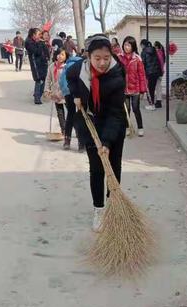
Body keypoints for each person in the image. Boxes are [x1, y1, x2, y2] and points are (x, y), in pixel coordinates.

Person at [67, 35, 126, 232]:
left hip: (113, 124)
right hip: (90, 122)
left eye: (106, 57)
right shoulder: (78, 69)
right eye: (97, 58)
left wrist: (107, 143)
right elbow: (70, 77)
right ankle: (99, 210)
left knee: (113, 166)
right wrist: (75, 95)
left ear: (111, 56)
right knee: (97, 169)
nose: (102, 62)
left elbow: (116, 112)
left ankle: (113, 206)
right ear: (88, 56)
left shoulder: (117, 74)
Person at [119, 36, 146, 137]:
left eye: (129, 45)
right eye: (125, 45)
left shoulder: (137, 59)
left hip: (135, 89)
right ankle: (127, 127)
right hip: (124, 89)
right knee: (126, 110)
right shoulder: (119, 57)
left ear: (133, 46)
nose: (126, 47)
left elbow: (142, 75)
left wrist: (143, 91)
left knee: (135, 108)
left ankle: (140, 127)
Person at [59, 54, 85, 151]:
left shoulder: (67, 66)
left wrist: (64, 91)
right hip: (79, 93)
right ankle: (81, 144)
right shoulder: (81, 65)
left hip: (68, 93)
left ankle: (67, 141)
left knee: (70, 115)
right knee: (80, 116)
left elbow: (61, 81)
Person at [44, 48, 68, 138]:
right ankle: (64, 130)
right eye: (58, 54)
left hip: (66, 93)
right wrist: (46, 90)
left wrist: (62, 92)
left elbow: (68, 82)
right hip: (55, 93)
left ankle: (77, 131)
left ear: (66, 57)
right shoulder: (51, 66)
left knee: (71, 112)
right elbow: (48, 79)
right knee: (60, 112)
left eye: (62, 54)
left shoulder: (67, 67)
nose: (60, 56)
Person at [25, 28, 49, 104]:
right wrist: (39, 43)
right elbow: (37, 52)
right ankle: (37, 98)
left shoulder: (39, 42)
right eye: (39, 34)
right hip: (36, 64)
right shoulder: (28, 42)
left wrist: (43, 44)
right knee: (38, 80)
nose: (40, 36)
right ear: (33, 35)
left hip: (42, 62)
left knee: (44, 78)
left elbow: (45, 51)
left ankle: (38, 94)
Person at [140, 39, 162, 111]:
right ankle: (153, 104)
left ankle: (152, 105)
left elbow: (142, 63)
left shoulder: (144, 52)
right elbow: (158, 61)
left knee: (150, 89)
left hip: (149, 73)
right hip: (156, 72)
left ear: (143, 45)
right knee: (153, 88)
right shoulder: (154, 50)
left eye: (141, 45)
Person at [154, 41, 166, 109]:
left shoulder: (158, 53)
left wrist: (161, 71)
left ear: (156, 46)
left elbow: (161, 63)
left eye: (154, 45)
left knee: (158, 87)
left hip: (158, 72)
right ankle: (158, 101)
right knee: (158, 87)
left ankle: (158, 102)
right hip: (160, 72)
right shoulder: (161, 52)